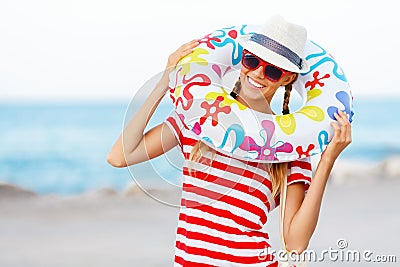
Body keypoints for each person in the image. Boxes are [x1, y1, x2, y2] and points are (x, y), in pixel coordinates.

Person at [107, 15, 352, 267]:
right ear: (241, 58)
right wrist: (164, 82)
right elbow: (119, 156)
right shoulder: (198, 120)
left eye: (273, 70)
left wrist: (327, 159)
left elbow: (295, 243)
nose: (258, 73)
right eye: (252, 60)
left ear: (288, 78)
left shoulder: (292, 146)